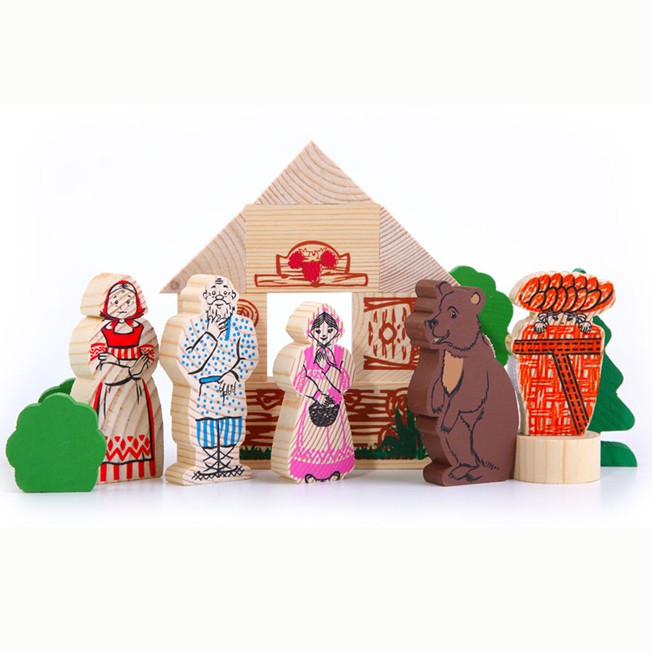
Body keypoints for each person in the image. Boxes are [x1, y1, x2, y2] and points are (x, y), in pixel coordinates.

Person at [179, 276, 258, 480]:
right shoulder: (193, 325)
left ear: (233, 297)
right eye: (213, 294)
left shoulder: (244, 325)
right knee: (205, 428)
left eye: (224, 293)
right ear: (204, 297)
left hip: (232, 387)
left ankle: (229, 464)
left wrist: (234, 374)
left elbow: (249, 356)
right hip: (203, 389)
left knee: (232, 427)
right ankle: (207, 466)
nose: (219, 298)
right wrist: (211, 334)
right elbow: (188, 361)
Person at [90, 280, 159, 482]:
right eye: (116, 301)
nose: (122, 306)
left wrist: (117, 361)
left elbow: (145, 365)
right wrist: (131, 366)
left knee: (137, 425)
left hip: (135, 392)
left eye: (128, 301)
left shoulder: (143, 330)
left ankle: (138, 465)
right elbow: (101, 368)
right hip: (109, 392)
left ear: (137, 303)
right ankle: (108, 465)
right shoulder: (101, 331)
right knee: (108, 425)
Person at [287, 307, 355, 482]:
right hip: (311, 405)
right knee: (311, 439)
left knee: (333, 439)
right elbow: (299, 379)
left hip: (335, 405)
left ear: (337, 331)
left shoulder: (342, 354)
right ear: (310, 332)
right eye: (318, 330)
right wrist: (317, 395)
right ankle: (308, 470)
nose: (324, 335)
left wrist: (329, 366)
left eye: (329, 330)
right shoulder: (303, 354)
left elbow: (345, 382)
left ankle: (334, 468)